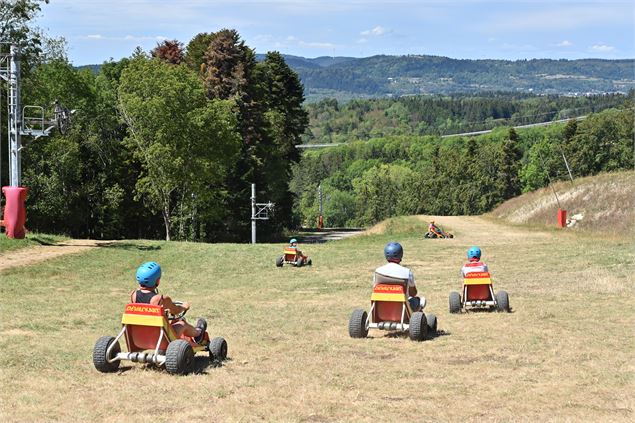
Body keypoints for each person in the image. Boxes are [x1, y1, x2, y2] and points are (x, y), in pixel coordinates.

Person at [131, 261, 207, 344]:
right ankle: (198, 333)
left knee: (174, 322)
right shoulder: (160, 299)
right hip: (161, 338)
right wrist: (184, 307)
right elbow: (175, 311)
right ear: (158, 281)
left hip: (141, 336)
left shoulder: (133, 295)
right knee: (182, 324)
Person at [374, 242, 426, 311]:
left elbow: (375, 289)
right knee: (419, 301)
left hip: (382, 308)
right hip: (402, 310)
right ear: (400, 254)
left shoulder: (378, 271)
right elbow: (413, 293)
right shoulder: (407, 272)